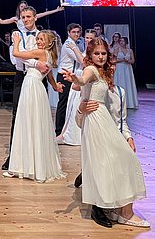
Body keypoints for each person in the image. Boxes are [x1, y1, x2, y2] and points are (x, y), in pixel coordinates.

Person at [63, 38, 148, 229]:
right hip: (95, 121)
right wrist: (75, 81)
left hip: (106, 124)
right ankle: (107, 209)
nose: (100, 57)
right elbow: (82, 80)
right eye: (96, 53)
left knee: (125, 160)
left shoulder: (117, 88)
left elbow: (122, 119)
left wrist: (128, 137)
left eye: (103, 54)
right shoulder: (91, 70)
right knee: (107, 163)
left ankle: (119, 209)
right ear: (90, 55)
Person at [4, 30, 65, 182]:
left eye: (41, 39)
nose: (38, 41)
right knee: (34, 123)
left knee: (27, 123)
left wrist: (16, 41)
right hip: (36, 88)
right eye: (38, 39)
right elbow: (50, 75)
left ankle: (26, 166)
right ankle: (30, 165)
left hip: (31, 87)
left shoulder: (41, 52)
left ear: (49, 43)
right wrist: (55, 86)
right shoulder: (48, 55)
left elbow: (17, 54)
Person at [1, 6, 50, 171]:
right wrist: (36, 63)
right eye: (23, 17)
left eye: (29, 16)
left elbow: (47, 56)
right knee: (17, 115)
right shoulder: (17, 34)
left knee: (38, 115)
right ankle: (14, 157)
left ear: (35, 17)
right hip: (22, 77)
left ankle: (39, 156)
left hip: (38, 78)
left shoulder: (42, 36)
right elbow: (18, 57)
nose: (26, 20)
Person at [57, 28, 96, 146]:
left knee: (78, 105)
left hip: (83, 78)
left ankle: (75, 135)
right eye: (87, 38)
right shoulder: (82, 48)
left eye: (91, 38)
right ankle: (66, 133)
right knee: (72, 106)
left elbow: (84, 62)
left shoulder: (92, 51)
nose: (88, 40)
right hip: (77, 76)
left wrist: (75, 49)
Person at [54, 23, 82, 135]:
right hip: (64, 76)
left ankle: (65, 130)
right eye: (74, 32)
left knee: (69, 102)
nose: (76, 34)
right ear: (68, 33)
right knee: (63, 103)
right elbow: (80, 60)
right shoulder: (68, 45)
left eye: (78, 32)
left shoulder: (75, 44)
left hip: (70, 76)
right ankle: (59, 130)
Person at [0, 1, 65, 31]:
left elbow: (45, 13)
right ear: (19, 8)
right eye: (21, 6)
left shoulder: (32, 16)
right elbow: (2, 22)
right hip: (23, 38)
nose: (23, 8)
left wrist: (56, 10)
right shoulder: (16, 19)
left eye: (25, 6)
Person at [113, 36, 138, 109]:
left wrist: (128, 61)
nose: (121, 42)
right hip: (119, 68)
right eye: (120, 41)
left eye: (123, 41)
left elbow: (133, 61)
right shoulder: (117, 49)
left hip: (127, 68)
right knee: (120, 82)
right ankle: (119, 102)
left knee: (128, 83)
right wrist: (121, 60)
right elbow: (113, 60)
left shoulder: (130, 50)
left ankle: (129, 102)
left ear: (126, 42)